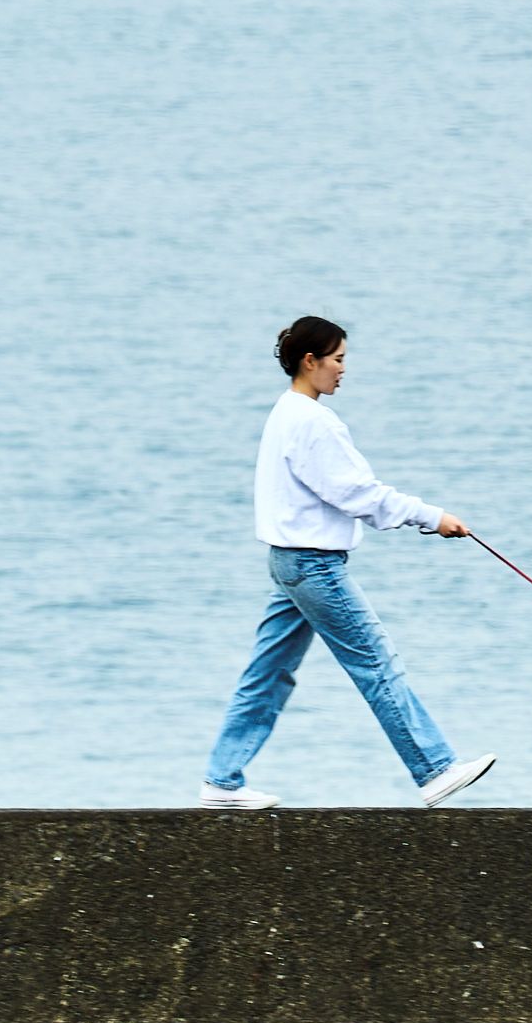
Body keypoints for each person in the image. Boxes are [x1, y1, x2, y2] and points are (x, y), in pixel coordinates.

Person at [196, 314, 499, 810]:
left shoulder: (286, 411)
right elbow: (357, 494)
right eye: (337, 360)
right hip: (314, 567)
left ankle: (221, 781)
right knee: (376, 664)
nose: (343, 370)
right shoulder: (313, 423)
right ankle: (435, 770)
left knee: (267, 674)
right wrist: (432, 517)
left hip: (288, 563)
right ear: (309, 362)